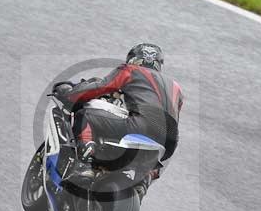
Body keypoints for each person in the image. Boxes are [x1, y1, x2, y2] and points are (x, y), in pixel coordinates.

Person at [54, 43, 184, 198]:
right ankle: (144, 181)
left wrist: (70, 94)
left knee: (85, 114)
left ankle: (85, 163)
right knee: (151, 155)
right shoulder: (176, 87)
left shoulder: (131, 70)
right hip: (169, 140)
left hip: (141, 125)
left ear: (134, 59)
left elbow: (100, 87)